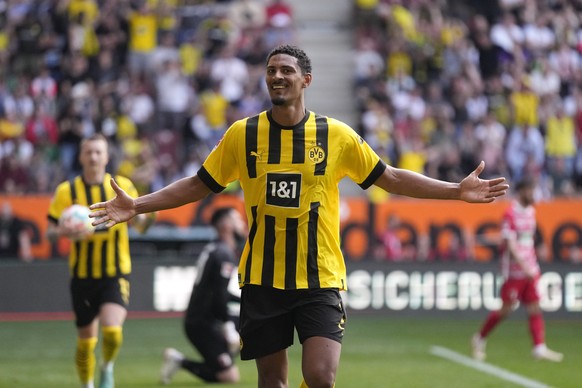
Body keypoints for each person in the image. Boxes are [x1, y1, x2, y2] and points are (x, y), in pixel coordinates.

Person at [90, 45, 508, 388]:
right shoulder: (243, 134)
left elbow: (392, 178)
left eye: (286, 70)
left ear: (305, 80)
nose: (277, 76)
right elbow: (199, 184)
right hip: (261, 278)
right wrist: (137, 204)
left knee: (321, 377)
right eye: (271, 70)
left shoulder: (337, 136)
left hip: (320, 276)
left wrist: (455, 190)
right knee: (272, 382)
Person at [47, 134, 155, 388]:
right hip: (83, 275)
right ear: (81, 156)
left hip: (115, 272)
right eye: (89, 152)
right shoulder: (67, 191)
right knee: (86, 341)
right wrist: (66, 230)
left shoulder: (123, 187)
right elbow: (49, 232)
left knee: (112, 330)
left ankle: (107, 367)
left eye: (98, 152)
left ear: (106, 157)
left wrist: (140, 216)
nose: (93, 157)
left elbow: (143, 226)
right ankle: (87, 385)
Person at [471, 177, 563, 363]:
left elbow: (527, 240)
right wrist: (524, 266)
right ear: (521, 192)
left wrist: (536, 256)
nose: (533, 195)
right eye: (530, 191)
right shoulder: (510, 214)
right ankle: (479, 338)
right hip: (514, 271)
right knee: (506, 309)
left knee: (535, 306)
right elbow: (511, 246)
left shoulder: (530, 212)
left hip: (530, 268)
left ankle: (539, 347)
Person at [160, 206, 245, 385]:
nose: (242, 223)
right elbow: (219, 294)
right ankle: (180, 361)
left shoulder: (216, 249)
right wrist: (229, 326)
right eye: (237, 219)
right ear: (226, 225)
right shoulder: (223, 253)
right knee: (229, 376)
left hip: (203, 320)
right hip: (203, 323)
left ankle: (183, 360)